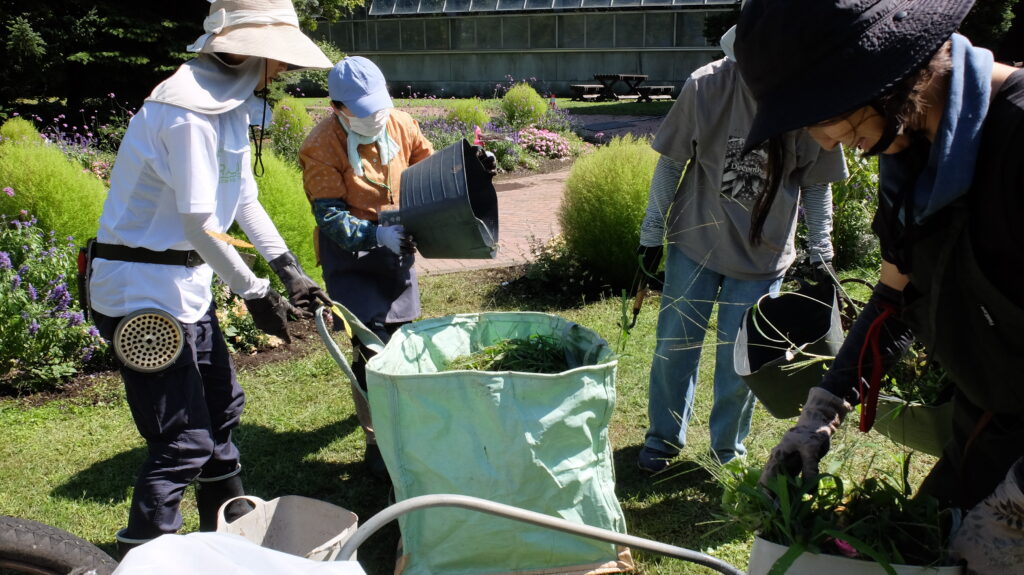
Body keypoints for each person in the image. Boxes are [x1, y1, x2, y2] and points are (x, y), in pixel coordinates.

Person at [735, 0, 1024, 570]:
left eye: (823, 115)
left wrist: (1018, 506)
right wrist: (820, 413)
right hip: (984, 437)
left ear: (886, 75)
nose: (822, 142)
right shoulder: (914, 161)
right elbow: (893, 301)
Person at [86, 0, 332, 556]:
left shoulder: (228, 107)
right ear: (245, 51)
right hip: (141, 294)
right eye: (279, 59)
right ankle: (144, 553)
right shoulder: (183, 111)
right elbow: (200, 223)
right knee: (182, 440)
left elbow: (242, 197)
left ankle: (230, 533)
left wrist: (289, 270)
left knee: (221, 410)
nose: (285, 70)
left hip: (183, 286)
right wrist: (256, 291)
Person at [634, 26, 848, 474]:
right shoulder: (707, 85)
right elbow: (671, 162)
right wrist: (651, 234)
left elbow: (816, 183)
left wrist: (821, 250)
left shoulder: (807, 102)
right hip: (695, 242)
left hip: (762, 257)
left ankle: (726, 450)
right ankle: (663, 440)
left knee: (743, 363)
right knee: (675, 347)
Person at [298, 57, 434, 477]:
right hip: (351, 255)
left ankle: (409, 425)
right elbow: (331, 217)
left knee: (404, 336)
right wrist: (374, 236)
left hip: (397, 246)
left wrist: (466, 170)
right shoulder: (320, 146)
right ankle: (377, 439)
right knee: (370, 348)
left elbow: (427, 168)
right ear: (338, 108)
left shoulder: (400, 123)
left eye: (380, 106)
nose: (376, 117)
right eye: (364, 111)